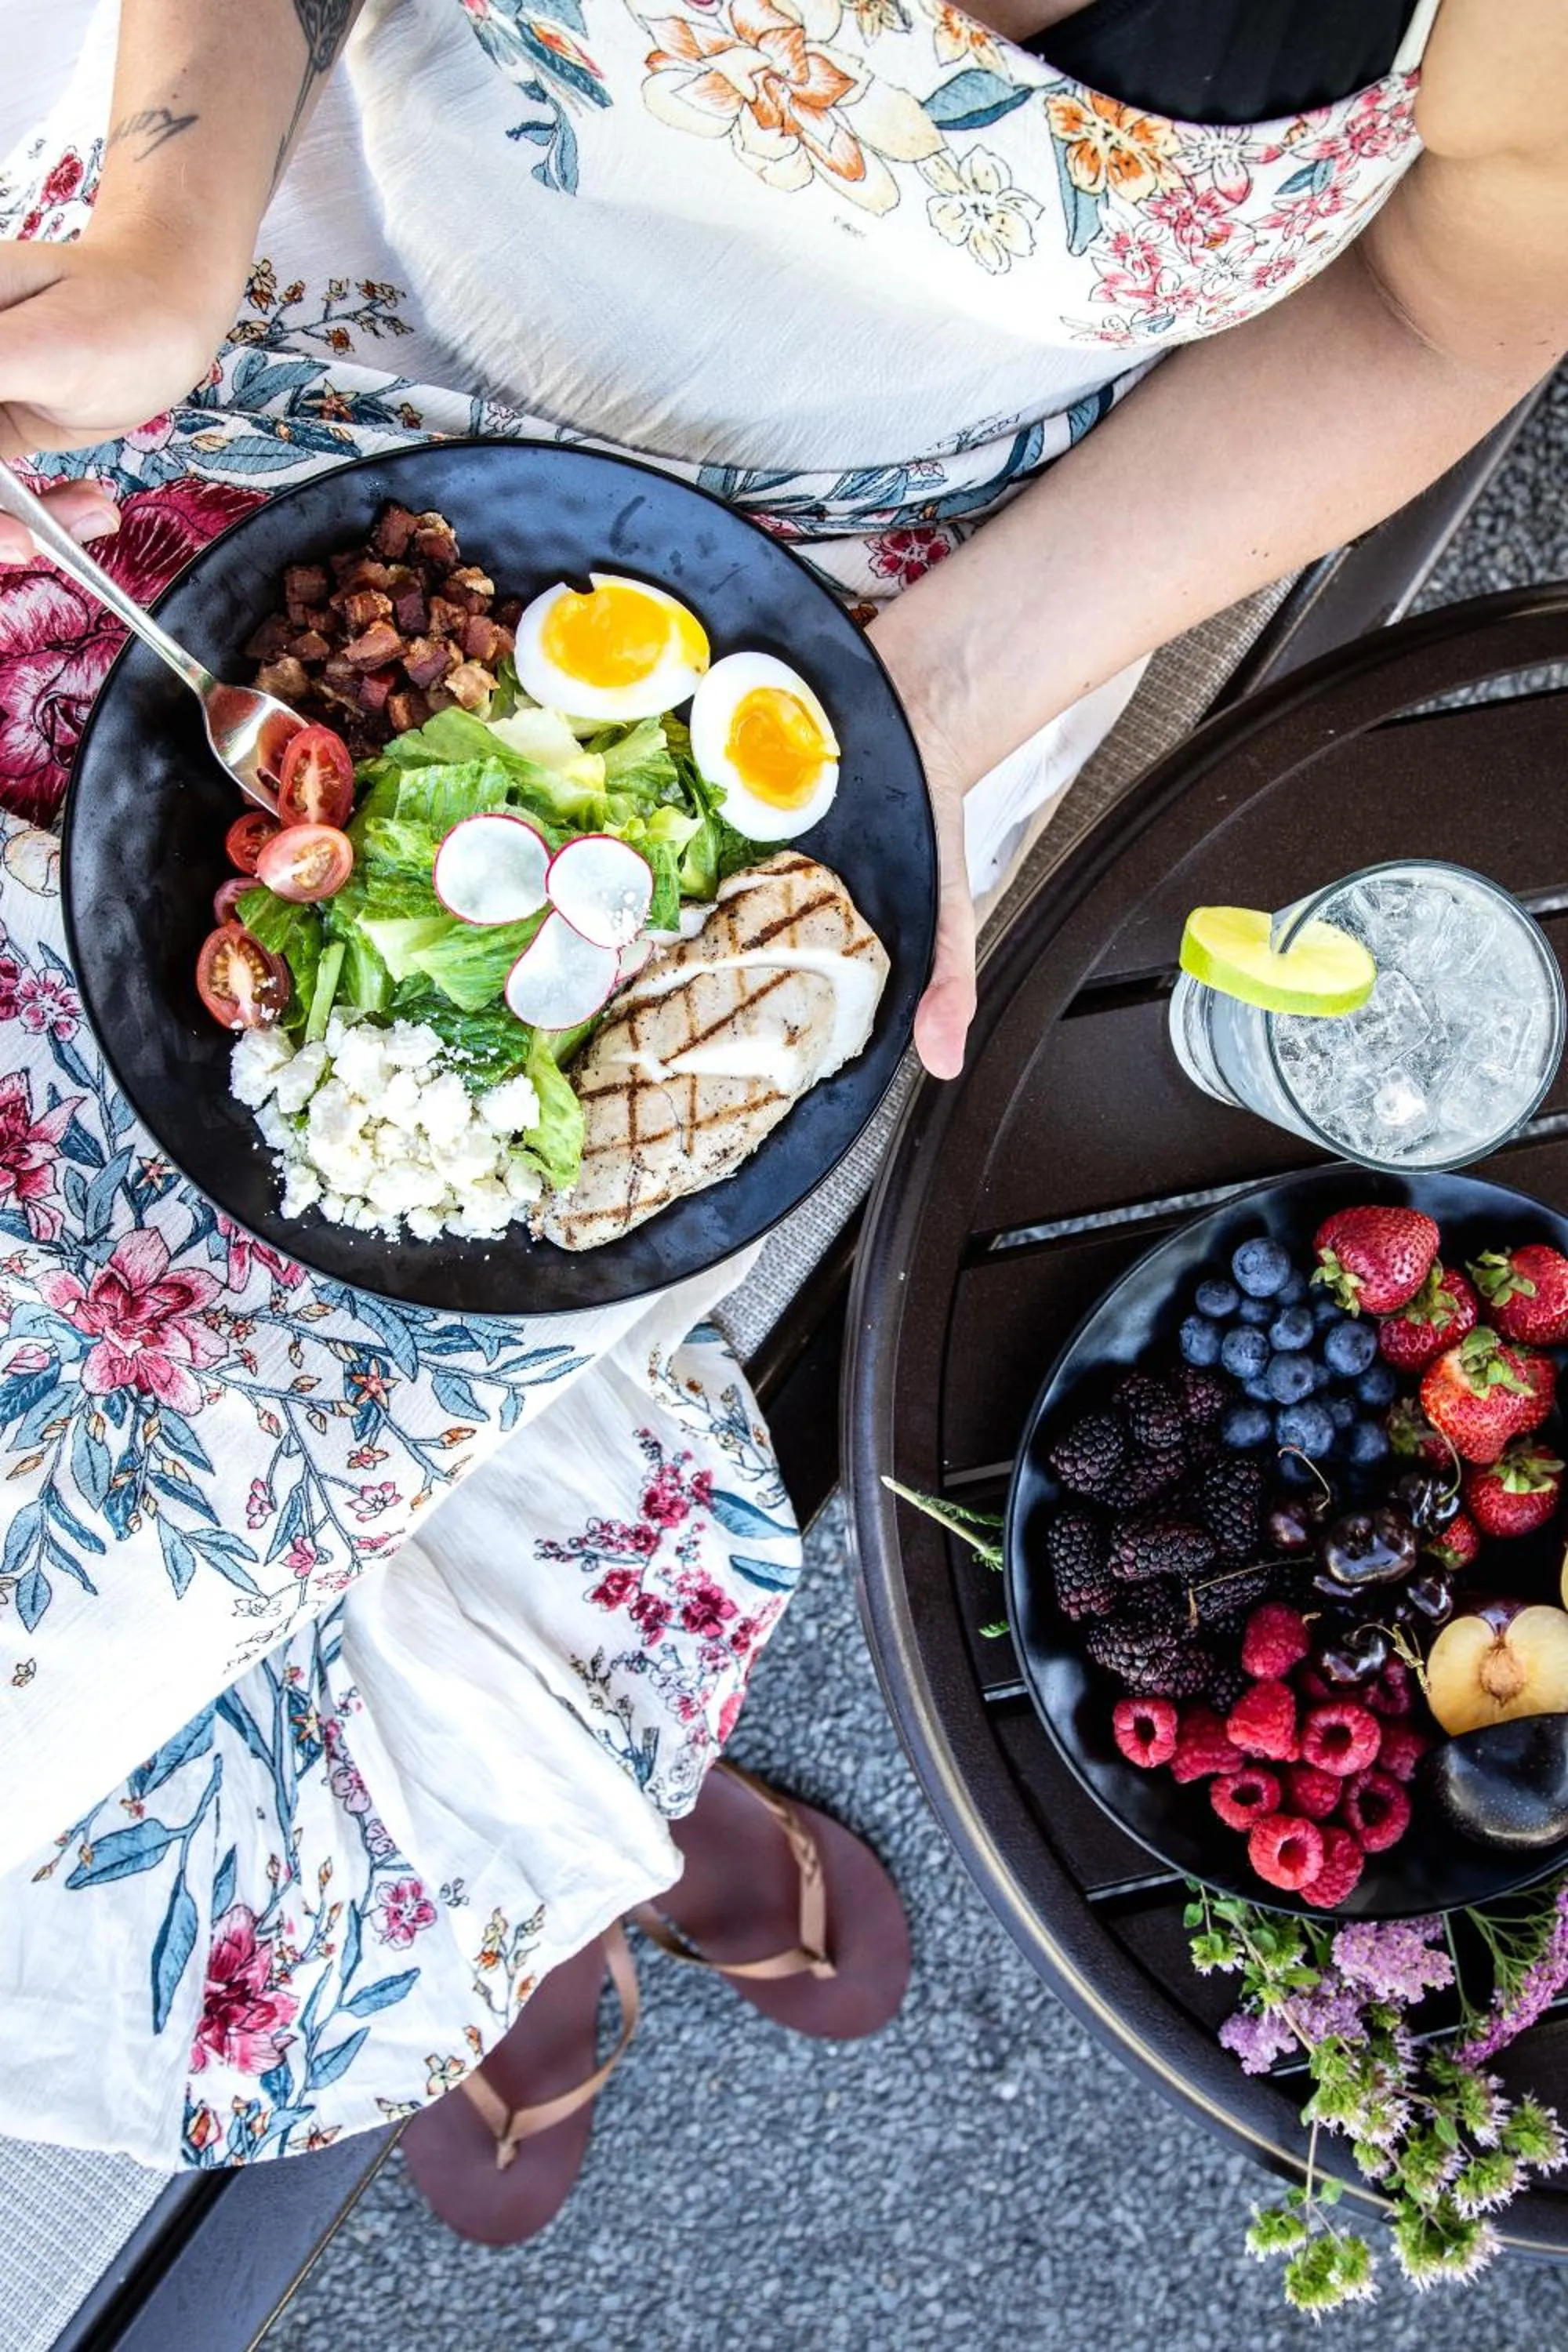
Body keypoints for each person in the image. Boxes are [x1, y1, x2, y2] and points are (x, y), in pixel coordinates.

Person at [0, 0, 1564, 2237]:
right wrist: (157, 210)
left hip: (885, 629)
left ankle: (533, 1849)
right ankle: (540, 1831)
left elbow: (1445, 291)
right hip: (246, 324)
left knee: (422, 1299)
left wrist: (940, 702)